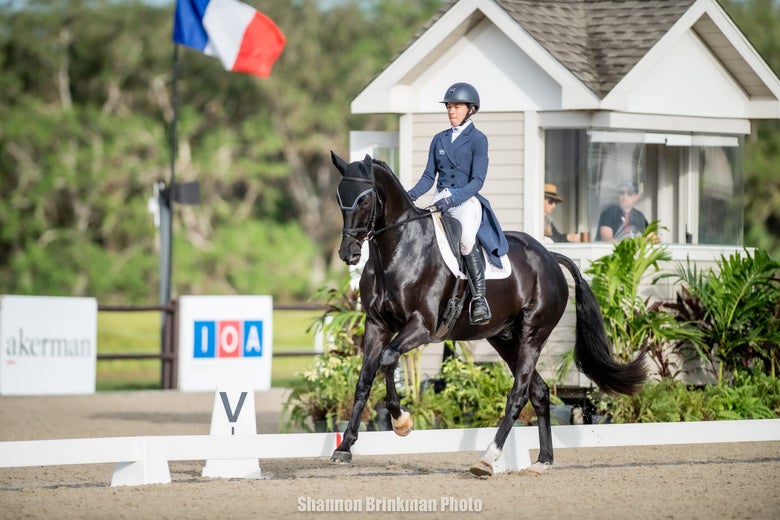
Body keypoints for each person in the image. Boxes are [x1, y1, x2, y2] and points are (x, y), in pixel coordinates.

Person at [406, 82, 508, 325]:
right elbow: (429, 177)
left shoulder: (478, 140)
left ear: (471, 109)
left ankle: (479, 299)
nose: (451, 111)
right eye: (449, 107)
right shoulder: (439, 139)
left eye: (457, 107)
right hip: (439, 199)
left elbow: (477, 181)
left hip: (465, 200)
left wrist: (453, 199)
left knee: (465, 240)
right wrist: (408, 195)